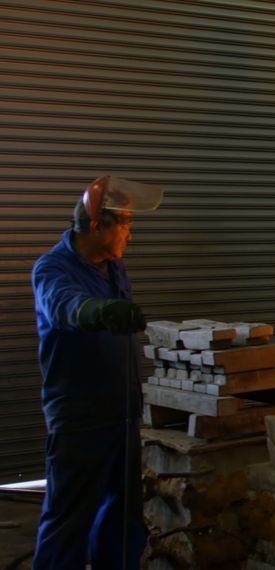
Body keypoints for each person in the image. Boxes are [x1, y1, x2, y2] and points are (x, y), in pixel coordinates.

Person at [31, 176, 163, 569]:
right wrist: (101, 311)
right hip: (79, 418)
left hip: (120, 412)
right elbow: (65, 306)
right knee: (69, 517)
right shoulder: (52, 269)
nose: (129, 233)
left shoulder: (113, 267)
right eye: (123, 224)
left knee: (122, 515)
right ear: (95, 225)